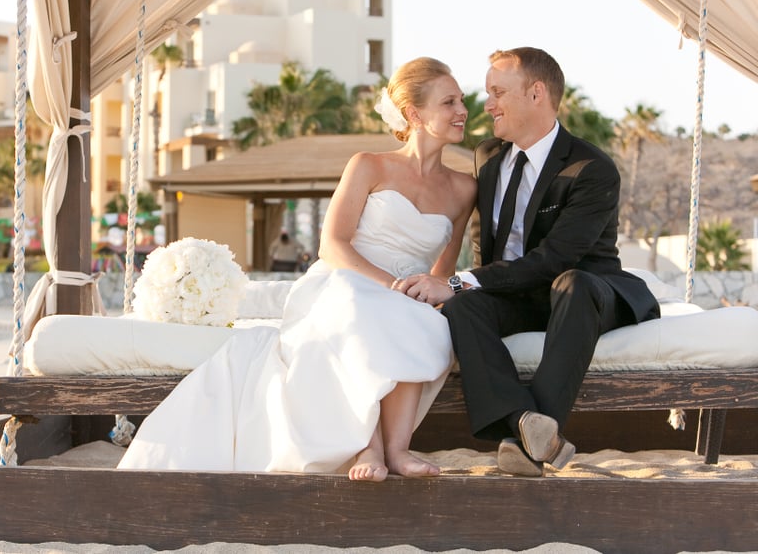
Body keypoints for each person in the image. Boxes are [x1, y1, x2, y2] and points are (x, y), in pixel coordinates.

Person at [118, 57, 475, 480]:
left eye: (462, 100)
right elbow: (332, 244)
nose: (462, 111)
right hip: (344, 281)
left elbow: (442, 270)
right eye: (449, 102)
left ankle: (399, 450)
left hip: (405, 295)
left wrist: (433, 290)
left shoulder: (463, 188)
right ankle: (367, 446)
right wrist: (389, 285)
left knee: (420, 321)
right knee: (359, 307)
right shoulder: (369, 165)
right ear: (415, 114)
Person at [402, 47, 660, 477]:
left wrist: (459, 280)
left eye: (498, 92)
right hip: (519, 294)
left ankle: (524, 442)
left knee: (570, 282)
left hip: (584, 293)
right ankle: (528, 424)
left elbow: (555, 260)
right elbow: (485, 245)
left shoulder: (590, 168)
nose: (486, 105)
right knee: (463, 305)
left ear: (536, 93)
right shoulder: (488, 157)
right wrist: (463, 289)